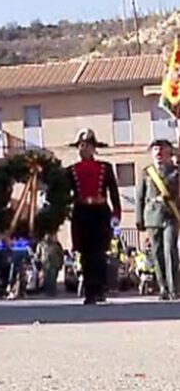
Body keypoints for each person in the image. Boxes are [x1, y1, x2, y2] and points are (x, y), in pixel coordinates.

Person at [65, 129, 121, 305]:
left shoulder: (105, 168)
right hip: (82, 212)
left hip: (100, 212)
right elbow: (62, 194)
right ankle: (90, 292)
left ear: (93, 148)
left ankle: (100, 289)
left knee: (100, 253)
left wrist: (117, 213)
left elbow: (113, 192)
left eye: (87, 145)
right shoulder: (70, 170)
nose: (83, 148)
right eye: (81, 145)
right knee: (85, 254)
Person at [136, 138, 179, 301]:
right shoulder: (147, 172)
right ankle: (163, 288)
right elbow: (140, 196)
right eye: (155, 150)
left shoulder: (176, 172)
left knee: (170, 250)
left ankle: (174, 287)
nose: (158, 153)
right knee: (157, 252)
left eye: (162, 149)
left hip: (171, 215)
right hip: (152, 216)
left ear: (170, 152)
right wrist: (139, 219)